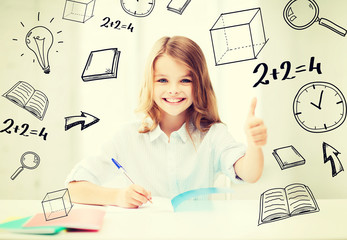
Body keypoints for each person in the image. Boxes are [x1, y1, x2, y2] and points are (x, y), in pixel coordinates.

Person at [66, 36, 267, 208]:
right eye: (162, 80)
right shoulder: (127, 137)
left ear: (200, 85)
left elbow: (250, 174)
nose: (173, 90)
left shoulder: (213, 134)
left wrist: (253, 145)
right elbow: (74, 189)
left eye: (185, 80)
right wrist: (117, 196)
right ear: (149, 83)